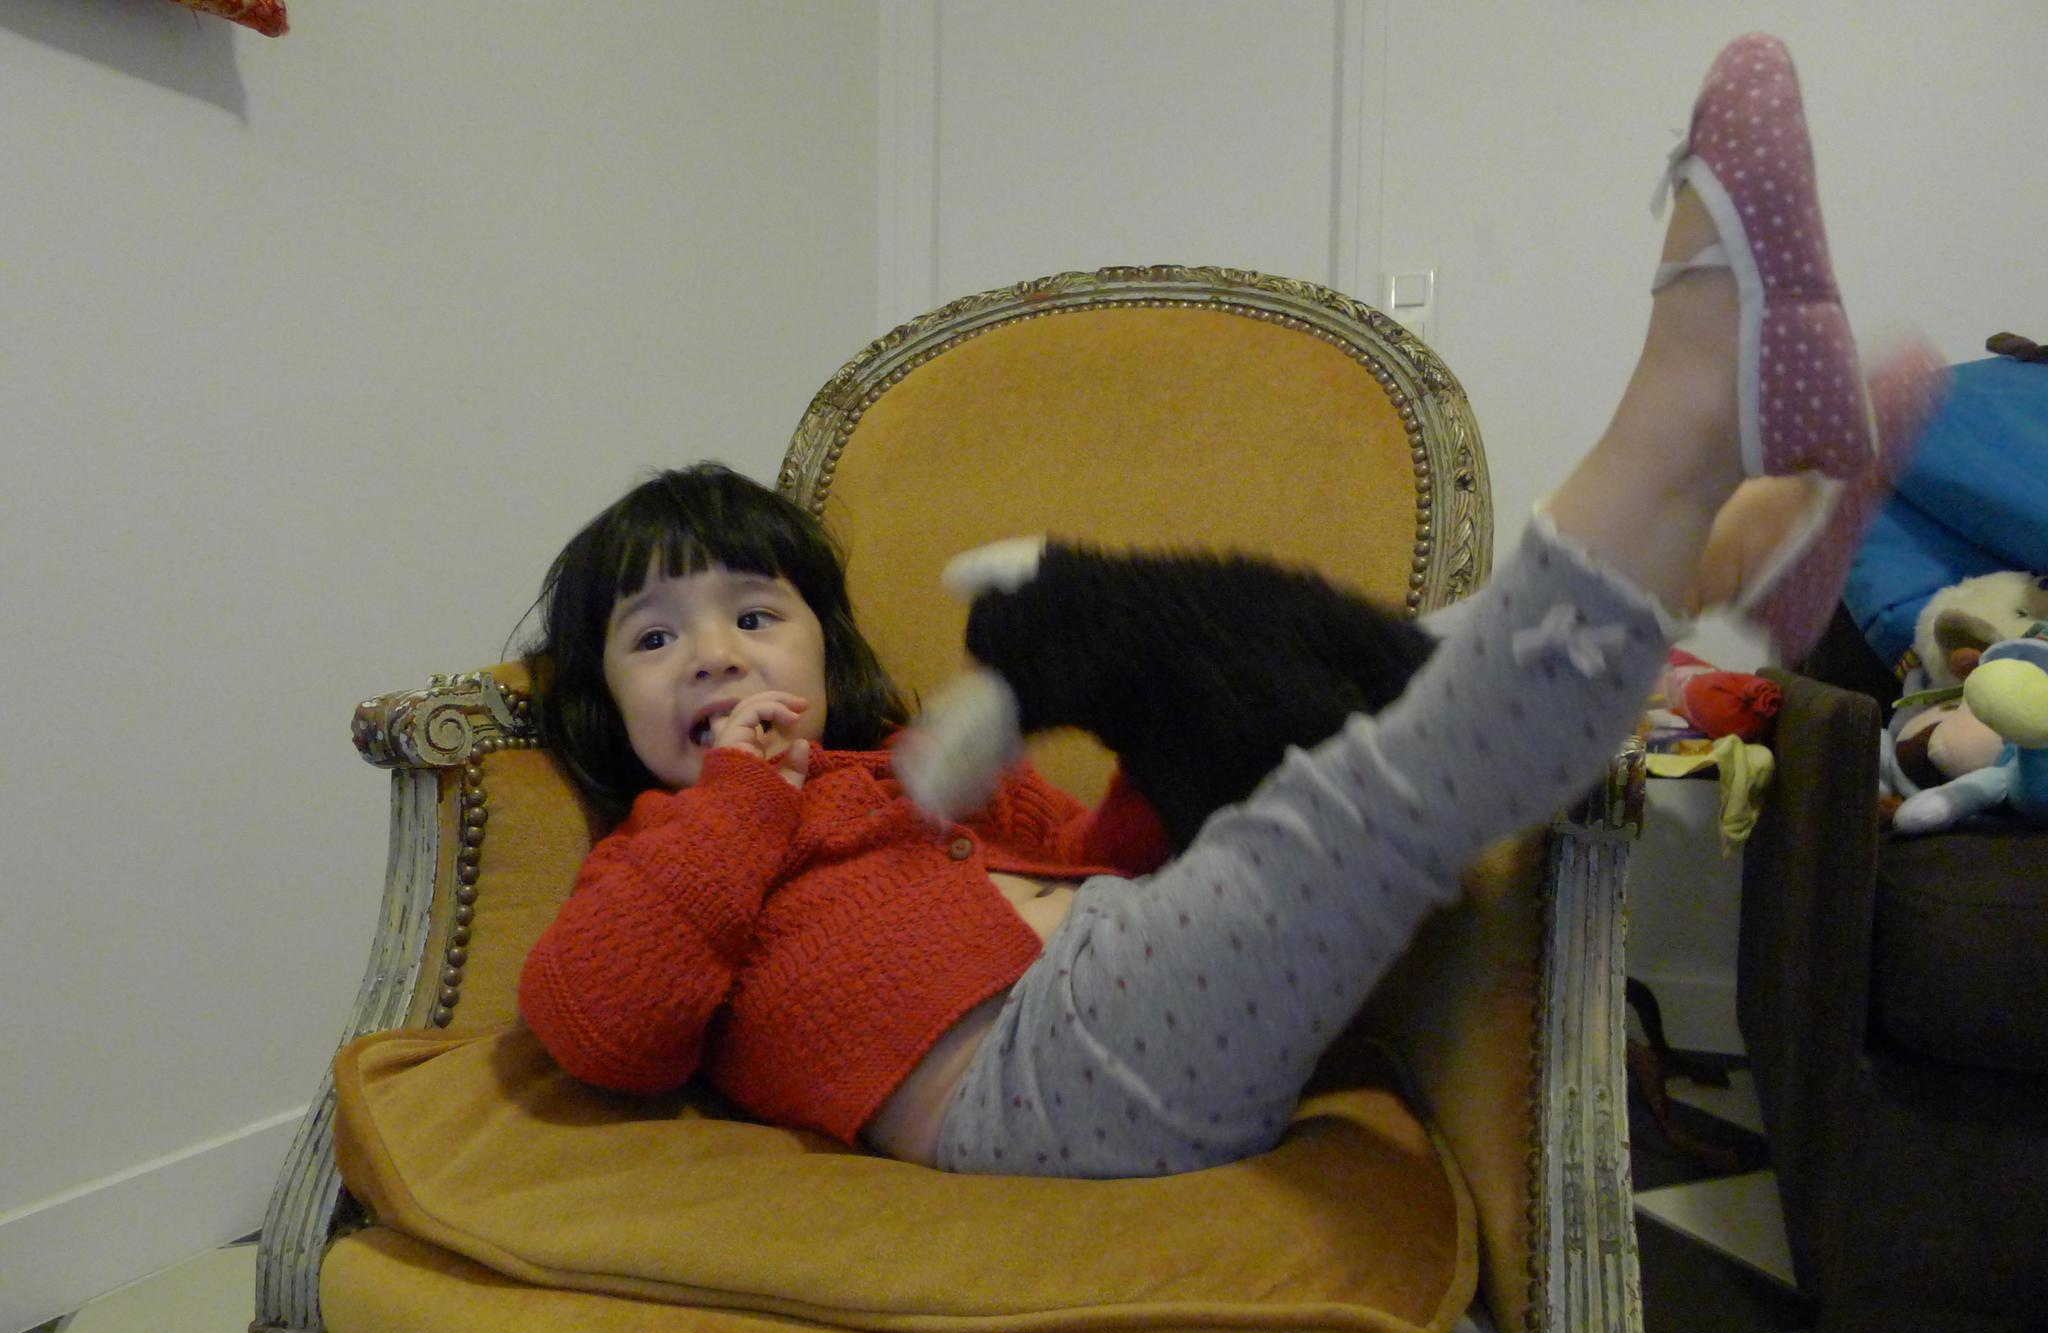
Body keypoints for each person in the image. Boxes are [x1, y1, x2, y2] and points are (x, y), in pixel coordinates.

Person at [519, 34, 1900, 1179]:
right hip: (1042, 1089)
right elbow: (603, 1023)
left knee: (1376, 682)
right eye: (656, 637)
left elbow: (1098, 859)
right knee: (1380, 792)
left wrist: (1164, 755)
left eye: (756, 616)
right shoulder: (655, 850)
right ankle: (1683, 434)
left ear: (828, 644)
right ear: (600, 697)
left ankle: (1704, 561)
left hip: (1144, 973)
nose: (715, 654)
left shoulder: (905, 775)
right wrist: (741, 802)